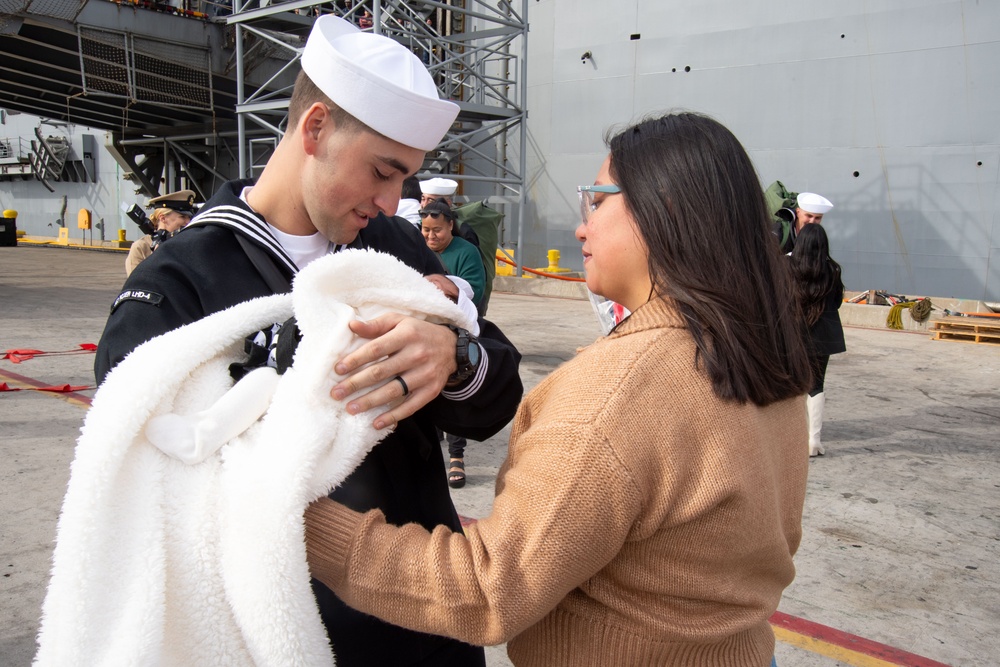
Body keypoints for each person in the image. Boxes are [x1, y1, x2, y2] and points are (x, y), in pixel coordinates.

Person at [303, 111, 814, 665]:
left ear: (663, 209)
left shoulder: (619, 391)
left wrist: (298, 519)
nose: (581, 227)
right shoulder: (764, 357)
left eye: (598, 199)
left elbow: (486, 591)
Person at [95, 15, 523, 667]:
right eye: (382, 170)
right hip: (283, 636)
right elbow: (137, 476)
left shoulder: (394, 247)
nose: (391, 200)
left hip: (428, 623)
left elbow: (496, 394)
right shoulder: (182, 281)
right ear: (315, 127)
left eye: (405, 179)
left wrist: (453, 354)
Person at [419, 198, 487, 488]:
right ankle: (430, 457)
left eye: (437, 230)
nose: (431, 236)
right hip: (422, 331)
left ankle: (456, 456)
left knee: (453, 389)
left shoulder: (467, 252)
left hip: (457, 334)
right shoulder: (415, 248)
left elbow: (476, 289)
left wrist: (446, 289)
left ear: (450, 225)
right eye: (425, 230)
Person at [788, 223, 846, 456]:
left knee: (792, 384)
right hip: (823, 335)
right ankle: (813, 441)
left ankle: (793, 438)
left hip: (793, 334)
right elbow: (837, 301)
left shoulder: (786, 266)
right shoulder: (833, 270)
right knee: (817, 385)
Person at [124, 189, 196, 276]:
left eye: (189, 217)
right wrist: (157, 258)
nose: (188, 221)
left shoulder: (187, 243)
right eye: (183, 216)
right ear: (163, 218)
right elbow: (136, 284)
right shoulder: (142, 247)